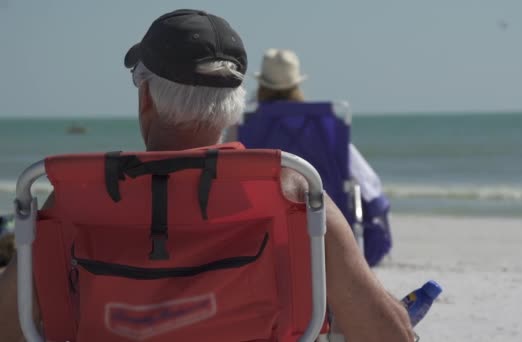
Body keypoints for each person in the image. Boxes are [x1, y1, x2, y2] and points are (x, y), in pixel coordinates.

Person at [0, 9, 414, 342]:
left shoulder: (75, 198)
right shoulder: (290, 192)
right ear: (235, 103)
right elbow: (387, 334)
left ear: (146, 96)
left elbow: (11, 323)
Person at [237, 48, 393, 267]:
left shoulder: (247, 126)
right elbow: (368, 184)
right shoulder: (324, 124)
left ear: (262, 84)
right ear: (297, 85)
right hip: (323, 231)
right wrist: (378, 209)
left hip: (263, 237)